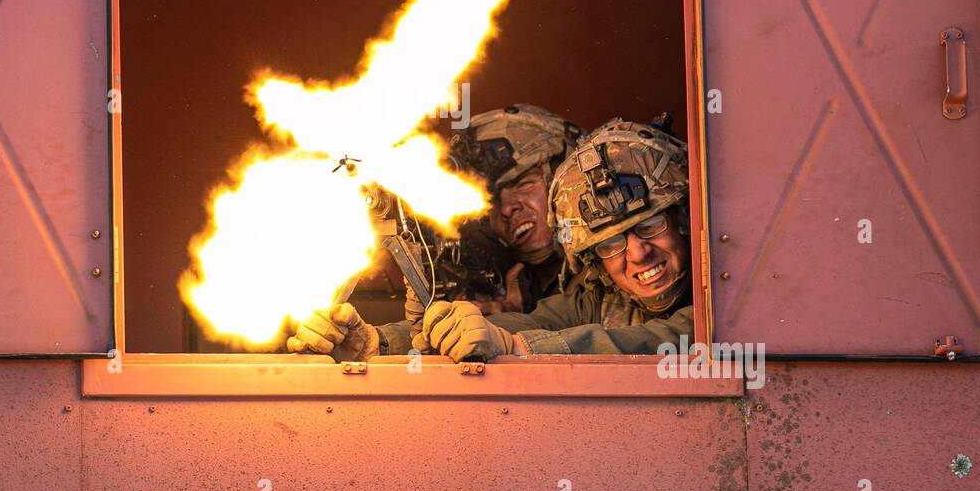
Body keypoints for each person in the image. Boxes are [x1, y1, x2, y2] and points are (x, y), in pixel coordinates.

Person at [285, 104, 585, 360]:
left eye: (523, 184)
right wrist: (378, 343)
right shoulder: (516, 280)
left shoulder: (617, 262)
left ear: (565, 181)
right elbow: (528, 323)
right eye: (494, 200)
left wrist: (511, 343)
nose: (508, 209)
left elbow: (609, 334)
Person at [421, 118, 694, 359]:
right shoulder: (596, 301)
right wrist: (387, 340)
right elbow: (537, 322)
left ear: (681, 221)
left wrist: (517, 347)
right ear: (597, 263)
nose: (637, 253)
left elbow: (677, 336)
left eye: (650, 225)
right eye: (610, 244)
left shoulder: (718, 293)